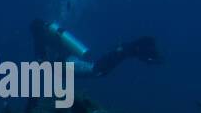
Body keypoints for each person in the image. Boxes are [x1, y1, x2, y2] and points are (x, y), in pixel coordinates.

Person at [30, 19, 162, 77]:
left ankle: (124, 49)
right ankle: (127, 50)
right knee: (99, 71)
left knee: (97, 70)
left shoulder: (42, 39)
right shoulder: (46, 37)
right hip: (67, 62)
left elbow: (44, 61)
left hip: (68, 62)